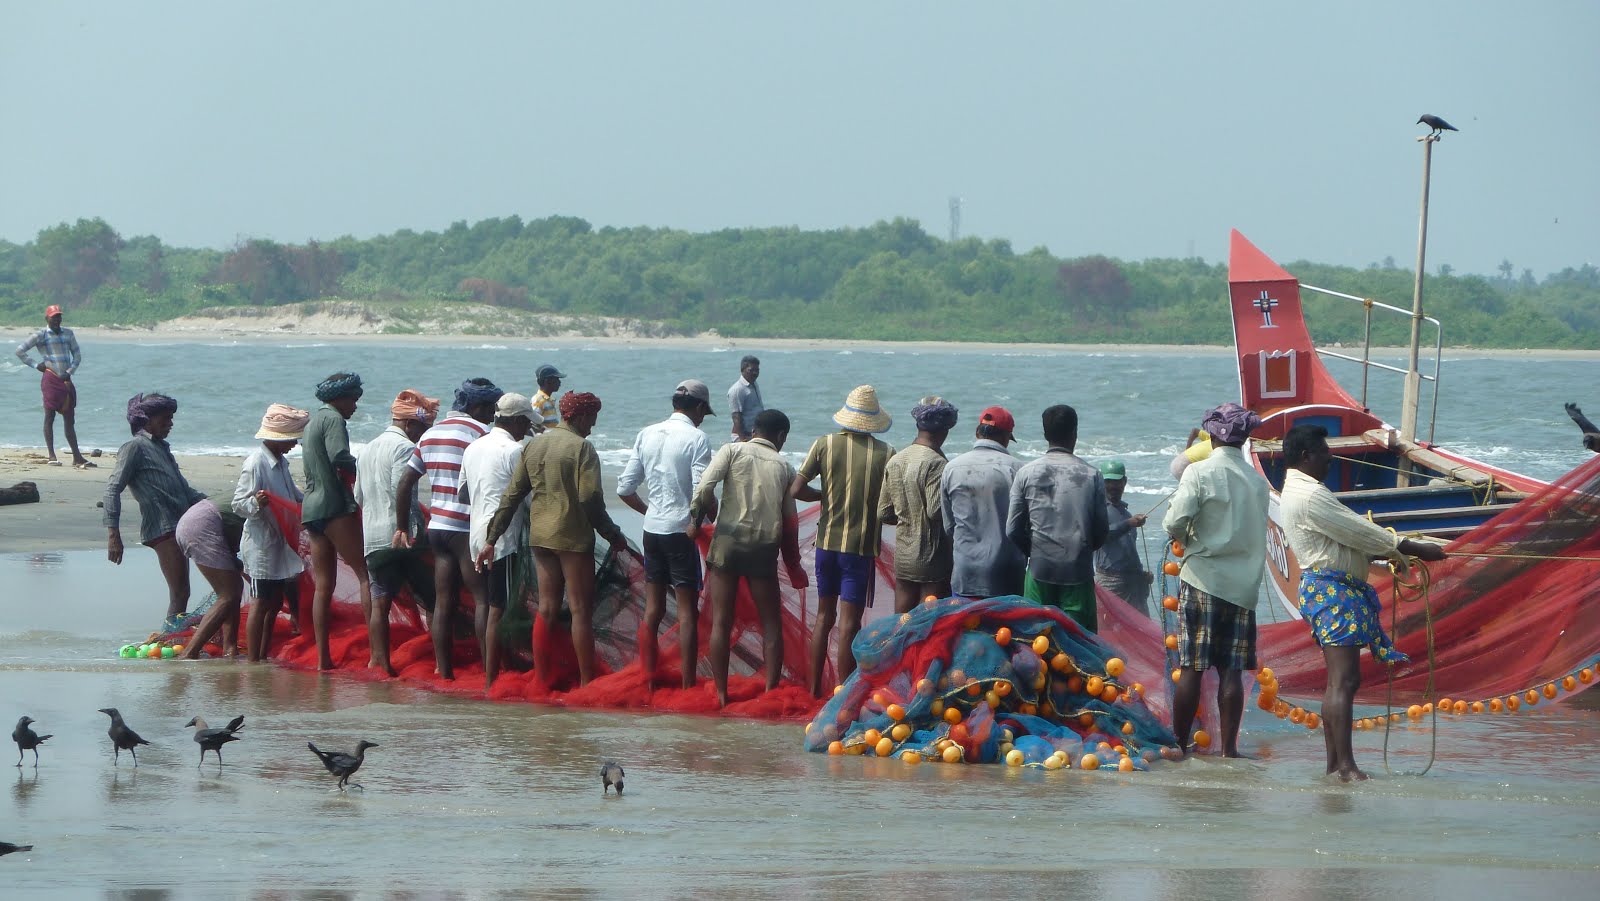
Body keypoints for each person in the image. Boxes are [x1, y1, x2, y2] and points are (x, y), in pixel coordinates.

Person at [1280, 423, 1446, 781]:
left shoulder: (1299, 489)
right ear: (1307, 456)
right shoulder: (1310, 496)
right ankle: (1347, 766)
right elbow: (1360, 531)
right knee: (1344, 681)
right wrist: (1415, 548)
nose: (1330, 457)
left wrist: (1389, 559)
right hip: (1333, 592)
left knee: (1339, 682)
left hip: (1330, 588)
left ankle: (1334, 764)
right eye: (1325, 451)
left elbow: (1343, 539)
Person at [479, 391, 627, 688]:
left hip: (541, 538)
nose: (593, 427)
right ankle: (587, 682)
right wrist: (611, 533)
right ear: (582, 417)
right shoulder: (582, 448)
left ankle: (542, 678)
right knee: (580, 609)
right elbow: (589, 497)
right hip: (571, 538)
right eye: (592, 420)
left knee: (545, 609)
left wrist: (491, 538)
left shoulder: (535, 445)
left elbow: (511, 496)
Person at [1160, 404, 1270, 757]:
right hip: (1243, 587)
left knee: (1192, 667)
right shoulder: (1257, 481)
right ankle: (1230, 750)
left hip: (1203, 579)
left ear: (1213, 436)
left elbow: (1173, 522)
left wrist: (1188, 535)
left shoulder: (1198, 473)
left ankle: (1178, 744)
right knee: (1232, 671)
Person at [691, 409, 808, 707]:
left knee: (721, 621)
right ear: (781, 437)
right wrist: (793, 566)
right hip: (762, 549)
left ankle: (720, 693)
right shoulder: (783, 467)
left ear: (754, 430)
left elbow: (705, 487)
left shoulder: (732, 451)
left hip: (727, 544)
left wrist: (698, 516)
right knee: (771, 624)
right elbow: (790, 521)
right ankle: (770, 690)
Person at [791, 385, 894, 695]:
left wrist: (825, 496)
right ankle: (842, 692)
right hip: (859, 549)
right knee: (850, 621)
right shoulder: (887, 453)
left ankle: (813, 690)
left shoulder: (824, 444)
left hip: (826, 545)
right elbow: (888, 507)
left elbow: (796, 490)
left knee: (824, 616)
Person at [398, 378, 503, 681]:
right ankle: (489, 675)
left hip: (438, 529)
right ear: (479, 407)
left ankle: (444, 671)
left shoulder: (430, 435)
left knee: (443, 601)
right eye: (491, 409)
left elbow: (406, 482)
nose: (493, 416)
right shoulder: (481, 433)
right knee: (483, 598)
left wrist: (402, 526)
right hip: (466, 529)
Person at [617, 380, 715, 688]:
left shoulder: (647, 433)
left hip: (652, 531)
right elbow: (703, 489)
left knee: (653, 608)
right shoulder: (696, 437)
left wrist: (650, 513)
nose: (703, 419)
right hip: (681, 532)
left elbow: (624, 489)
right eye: (704, 412)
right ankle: (688, 684)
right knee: (687, 611)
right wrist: (712, 521)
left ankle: (648, 678)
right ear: (698, 408)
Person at [354, 388, 440, 676]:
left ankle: (378, 661)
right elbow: (400, 490)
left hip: (372, 536)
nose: (422, 435)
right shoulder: (404, 448)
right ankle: (439, 659)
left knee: (380, 601)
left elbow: (359, 496)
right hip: (401, 536)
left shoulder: (367, 449)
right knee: (433, 597)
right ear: (409, 424)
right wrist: (415, 529)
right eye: (422, 428)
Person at [104, 393, 207, 621]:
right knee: (180, 593)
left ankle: (176, 638)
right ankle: (170, 641)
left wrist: (216, 504)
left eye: (171, 418)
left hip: (181, 524)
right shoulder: (134, 447)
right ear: (146, 419)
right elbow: (112, 489)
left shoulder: (162, 448)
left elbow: (186, 491)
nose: (170, 424)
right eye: (166, 418)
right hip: (162, 528)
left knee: (183, 592)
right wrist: (113, 535)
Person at [1007, 405, 1109, 630]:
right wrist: (1079, 551)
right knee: (1079, 647)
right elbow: (1101, 531)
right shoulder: (1091, 475)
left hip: (1039, 570)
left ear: (1045, 435)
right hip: (1078, 572)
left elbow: (1012, 529)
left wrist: (1035, 551)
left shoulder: (1026, 473)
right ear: (1075, 433)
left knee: (1037, 643)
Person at [459, 392, 536, 690]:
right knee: (497, 609)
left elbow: (463, 494)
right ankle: (491, 680)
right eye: (525, 423)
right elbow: (526, 499)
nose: (527, 430)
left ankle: (497, 668)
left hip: (476, 537)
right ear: (515, 421)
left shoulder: (474, 447)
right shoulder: (514, 451)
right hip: (503, 541)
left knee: (491, 603)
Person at [301, 372, 374, 672]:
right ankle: (376, 652)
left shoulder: (312, 422)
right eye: (353, 399)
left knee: (323, 586)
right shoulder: (333, 420)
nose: (355, 406)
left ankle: (323, 659)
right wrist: (366, 470)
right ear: (339, 398)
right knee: (365, 575)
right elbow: (339, 456)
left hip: (312, 510)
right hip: (333, 506)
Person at [232, 403, 310, 662]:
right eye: (291, 439)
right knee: (261, 602)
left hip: (280, 543)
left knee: (275, 604)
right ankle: (254, 661)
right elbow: (238, 504)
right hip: (261, 545)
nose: (294, 444)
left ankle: (263, 655)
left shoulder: (281, 463)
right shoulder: (256, 463)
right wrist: (257, 503)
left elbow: (294, 497)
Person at [879, 397, 958, 612]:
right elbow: (935, 511)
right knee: (928, 621)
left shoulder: (897, 459)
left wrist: (909, 516)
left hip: (904, 553)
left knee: (900, 620)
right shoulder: (937, 463)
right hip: (932, 556)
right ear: (944, 430)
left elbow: (884, 512)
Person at [941, 407, 1026, 599]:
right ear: (1006, 437)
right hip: (1007, 573)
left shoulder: (952, 468)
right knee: (1004, 628)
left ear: (977, 432)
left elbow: (949, 526)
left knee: (967, 626)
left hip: (966, 571)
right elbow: (1023, 526)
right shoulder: (1018, 469)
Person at [14, 304, 90, 469]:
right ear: (47, 318)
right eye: (54, 316)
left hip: (66, 379)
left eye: (59, 316)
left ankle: (77, 457)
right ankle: (51, 455)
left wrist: (70, 371)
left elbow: (77, 355)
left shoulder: (68, 333)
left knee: (69, 419)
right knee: (49, 417)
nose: (57, 319)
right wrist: (36, 365)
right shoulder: (40, 335)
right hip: (51, 378)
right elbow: (20, 351)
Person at [173, 499, 247, 660]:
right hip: (203, 526)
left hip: (194, 522)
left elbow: (245, 566)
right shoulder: (281, 511)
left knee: (234, 587)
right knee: (229, 594)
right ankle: (189, 653)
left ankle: (230, 649)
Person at [1093, 460, 1154, 617]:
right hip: (1110, 583)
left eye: (1117, 481)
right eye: (1109, 482)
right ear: (1101, 482)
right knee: (1108, 631)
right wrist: (1128, 524)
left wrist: (1142, 574)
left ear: (1124, 482)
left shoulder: (1125, 512)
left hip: (1133, 583)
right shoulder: (1097, 508)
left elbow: (1128, 550)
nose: (1113, 486)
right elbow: (1101, 535)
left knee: (1140, 632)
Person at [726, 355, 763, 443]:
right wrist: (743, 441)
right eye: (751, 370)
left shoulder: (754, 384)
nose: (755, 373)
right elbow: (736, 417)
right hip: (743, 436)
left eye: (757, 370)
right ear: (742, 370)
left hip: (754, 434)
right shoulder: (737, 389)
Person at [530, 364, 565, 434]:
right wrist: (545, 433)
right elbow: (533, 422)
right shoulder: (539, 400)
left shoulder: (548, 400)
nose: (559, 382)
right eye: (556, 379)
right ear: (547, 381)